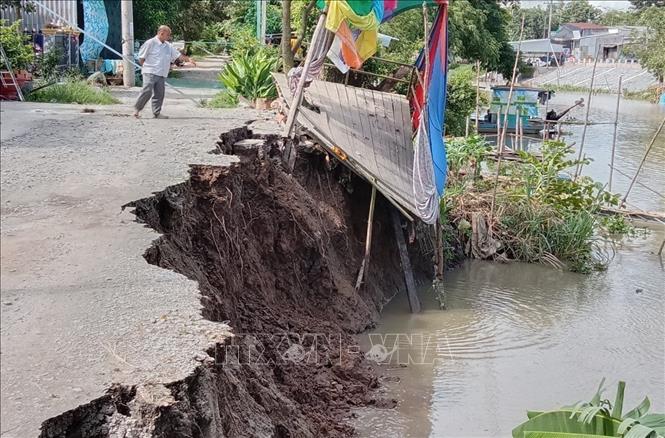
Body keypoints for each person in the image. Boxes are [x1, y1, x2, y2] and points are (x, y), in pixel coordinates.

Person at [133, 25, 195, 119]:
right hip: (150, 71)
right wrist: (146, 67)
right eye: (168, 35)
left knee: (159, 94)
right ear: (161, 33)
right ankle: (137, 110)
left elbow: (178, 56)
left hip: (162, 73)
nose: (169, 37)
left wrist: (188, 59)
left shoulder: (168, 46)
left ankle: (157, 113)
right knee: (147, 91)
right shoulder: (150, 43)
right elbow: (141, 58)